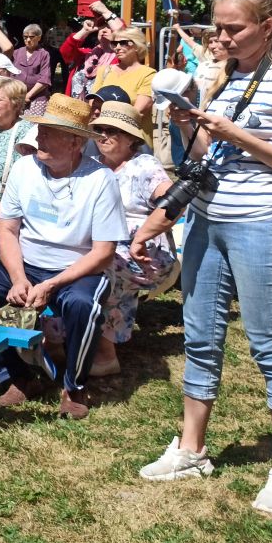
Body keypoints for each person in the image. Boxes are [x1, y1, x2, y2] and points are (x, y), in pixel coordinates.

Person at [141, 0, 272, 516]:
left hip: (259, 222)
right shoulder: (224, 76)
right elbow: (209, 153)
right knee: (199, 332)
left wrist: (236, 134)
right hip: (207, 218)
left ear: (267, 27)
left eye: (233, 28)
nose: (221, 38)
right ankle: (192, 449)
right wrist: (190, 128)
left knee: (269, 343)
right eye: (217, 27)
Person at [0, 96, 127, 419]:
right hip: (27, 262)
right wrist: (19, 277)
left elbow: (104, 251)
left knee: (82, 305)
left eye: (48, 132)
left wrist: (51, 284)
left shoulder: (100, 179)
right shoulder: (25, 169)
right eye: (40, 130)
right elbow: (7, 230)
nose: (39, 138)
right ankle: (16, 374)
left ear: (75, 141)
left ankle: (74, 386)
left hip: (77, 268)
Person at [87, 101, 175, 376]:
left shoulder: (144, 165)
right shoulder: (93, 167)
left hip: (146, 254)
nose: (103, 135)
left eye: (111, 130)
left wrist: (141, 237)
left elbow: (173, 204)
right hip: (105, 246)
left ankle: (104, 353)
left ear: (130, 138)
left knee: (99, 268)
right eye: (99, 129)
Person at [88, 26, 155, 119]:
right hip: (103, 130)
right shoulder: (104, 70)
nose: (117, 48)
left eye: (123, 43)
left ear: (137, 46)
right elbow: (92, 103)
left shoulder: (148, 74)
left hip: (131, 131)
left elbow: (138, 112)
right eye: (114, 44)